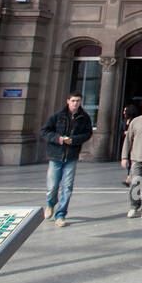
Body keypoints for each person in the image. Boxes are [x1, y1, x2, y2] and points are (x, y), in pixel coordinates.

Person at [42, 92, 93, 228]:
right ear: (68, 101)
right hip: (55, 155)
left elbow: (88, 134)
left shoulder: (84, 118)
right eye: (73, 101)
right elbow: (45, 131)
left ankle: (61, 215)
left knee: (67, 187)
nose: (75, 103)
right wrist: (57, 138)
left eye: (78, 101)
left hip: (71, 156)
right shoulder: (57, 116)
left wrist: (74, 140)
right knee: (52, 186)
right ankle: (50, 204)